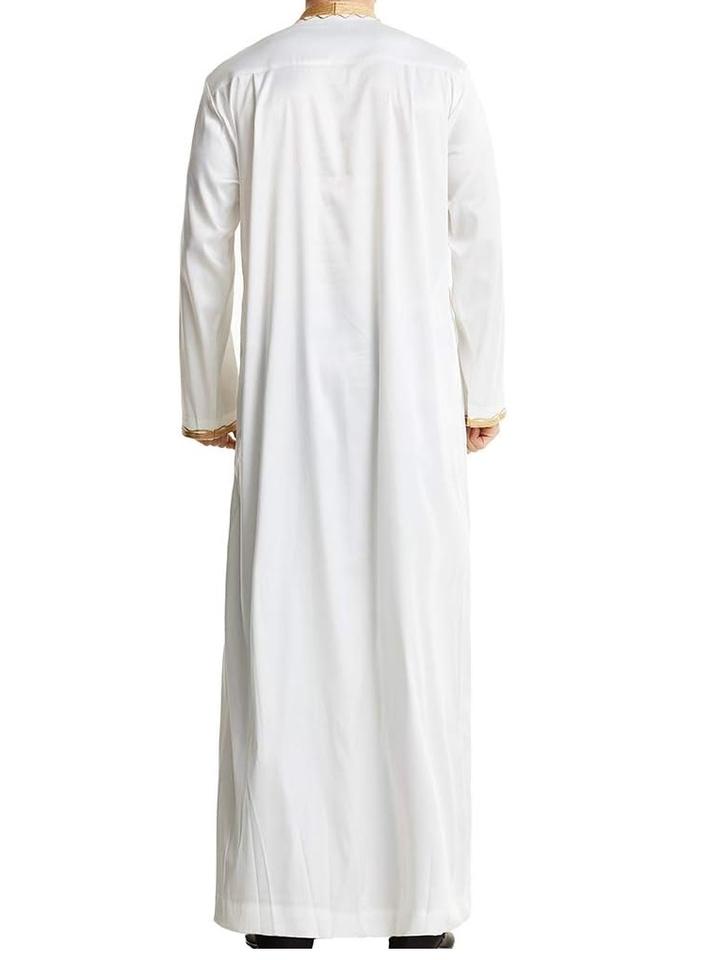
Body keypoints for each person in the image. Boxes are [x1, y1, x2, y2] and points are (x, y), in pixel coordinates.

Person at [179, 0, 505, 949]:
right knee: (414, 634)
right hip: (412, 402)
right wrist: (480, 382)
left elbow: (205, 253)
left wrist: (208, 390)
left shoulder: (241, 80)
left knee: (284, 634)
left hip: (283, 396)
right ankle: (418, 904)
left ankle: (280, 906)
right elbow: (477, 242)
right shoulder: (439, 78)